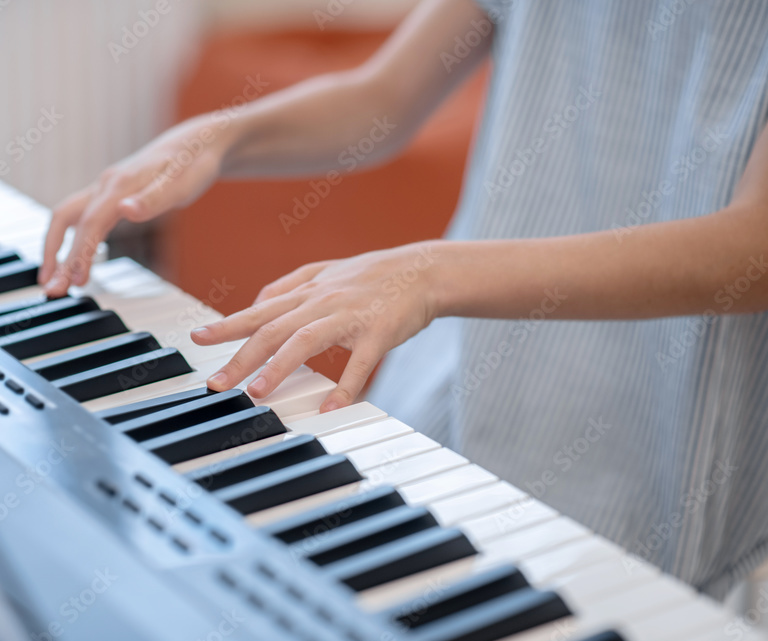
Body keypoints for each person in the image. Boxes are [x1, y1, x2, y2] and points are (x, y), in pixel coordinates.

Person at [39, 0, 768, 599]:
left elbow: (753, 251)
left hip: (668, 473)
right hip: (457, 401)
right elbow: (382, 98)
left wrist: (428, 273)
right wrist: (221, 136)